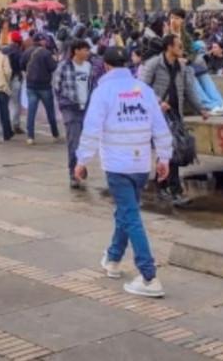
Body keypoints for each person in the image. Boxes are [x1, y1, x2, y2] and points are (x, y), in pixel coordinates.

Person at [75, 46, 172, 297]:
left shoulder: (103, 91)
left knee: (130, 214)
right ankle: (113, 258)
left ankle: (149, 275)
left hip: (117, 164)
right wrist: (164, 157)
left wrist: (82, 160)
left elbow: (92, 128)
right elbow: (160, 126)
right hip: (141, 163)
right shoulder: (144, 91)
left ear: (105, 66)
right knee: (126, 211)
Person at [140, 34, 210, 207]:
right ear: (169, 47)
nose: (182, 49)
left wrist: (200, 108)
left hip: (175, 114)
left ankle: (165, 188)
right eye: (179, 46)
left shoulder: (182, 67)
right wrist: (158, 101)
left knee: (173, 152)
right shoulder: (154, 64)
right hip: (158, 116)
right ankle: (172, 190)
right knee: (168, 151)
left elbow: (189, 89)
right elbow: (141, 87)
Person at [54, 41, 103, 189]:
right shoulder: (64, 66)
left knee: (85, 141)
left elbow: (93, 86)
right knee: (73, 141)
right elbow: (57, 86)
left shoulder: (89, 67)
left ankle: (80, 165)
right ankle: (73, 174)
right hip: (71, 107)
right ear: (76, 51)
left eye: (88, 50)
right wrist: (63, 104)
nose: (88, 52)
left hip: (86, 109)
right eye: (85, 50)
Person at [23, 34, 60, 145]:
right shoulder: (46, 53)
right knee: (50, 111)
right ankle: (55, 134)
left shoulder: (27, 52)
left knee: (31, 111)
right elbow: (53, 67)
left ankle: (30, 136)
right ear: (42, 41)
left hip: (30, 85)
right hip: (44, 85)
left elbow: (21, 64)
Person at [3, 31, 26, 134]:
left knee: (5, 103)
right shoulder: (19, 52)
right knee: (16, 103)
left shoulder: (4, 50)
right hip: (16, 78)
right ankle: (15, 124)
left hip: (4, 79)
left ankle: (5, 124)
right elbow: (22, 65)